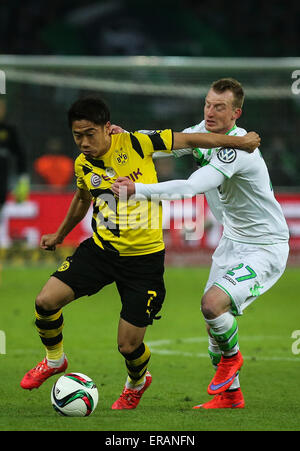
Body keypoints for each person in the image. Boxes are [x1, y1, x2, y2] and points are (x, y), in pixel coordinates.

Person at [20, 95, 260, 410]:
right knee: (45, 302)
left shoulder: (137, 143)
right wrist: (60, 234)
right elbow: (81, 198)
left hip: (143, 262)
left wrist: (238, 142)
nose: (83, 142)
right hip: (101, 251)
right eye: (77, 136)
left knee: (128, 346)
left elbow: (189, 138)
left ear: (107, 128)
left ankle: (136, 382)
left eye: (90, 134)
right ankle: (54, 360)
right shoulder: (82, 163)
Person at [111, 78, 289, 409]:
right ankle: (231, 396)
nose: (210, 111)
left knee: (212, 305)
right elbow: (163, 143)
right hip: (232, 240)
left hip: (266, 245)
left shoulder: (236, 148)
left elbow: (192, 187)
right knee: (212, 331)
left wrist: (138, 190)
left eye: (219, 107)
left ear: (236, 112)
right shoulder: (201, 134)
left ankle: (232, 359)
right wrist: (127, 138)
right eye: (208, 104)